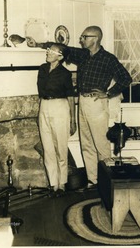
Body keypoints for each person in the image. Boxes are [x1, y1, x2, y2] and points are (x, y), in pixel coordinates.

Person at [28, 26, 132, 188]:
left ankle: (107, 183)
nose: (81, 39)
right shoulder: (83, 55)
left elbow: (126, 78)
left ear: (95, 39)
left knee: (101, 145)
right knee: (87, 144)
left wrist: (108, 93)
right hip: (82, 102)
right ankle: (93, 181)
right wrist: (38, 44)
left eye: (85, 37)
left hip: (96, 103)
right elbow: (63, 49)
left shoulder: (108, 59)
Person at [37, 44, 77, 197]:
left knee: (61, 147)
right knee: (48, 148)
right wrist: (39, 112)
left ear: (60, 56)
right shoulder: (42, 69)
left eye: (51, 51)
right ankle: (53, 185)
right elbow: (40, 94)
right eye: (48, 50)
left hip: (60, 107)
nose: (48, 52)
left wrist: (72, 120)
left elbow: (71, 98)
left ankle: (62, 184)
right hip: (44, 106)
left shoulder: (65, 74)